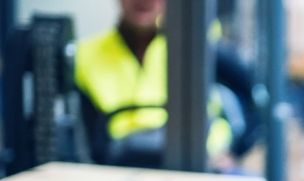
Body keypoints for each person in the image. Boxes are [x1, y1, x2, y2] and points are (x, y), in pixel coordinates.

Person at [75, 0, 256, 169]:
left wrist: (235, 151)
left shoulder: (196, 43)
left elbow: (254, 96)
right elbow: (83, 135)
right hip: (119, 168)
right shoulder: (84, 55)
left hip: (199, 166)